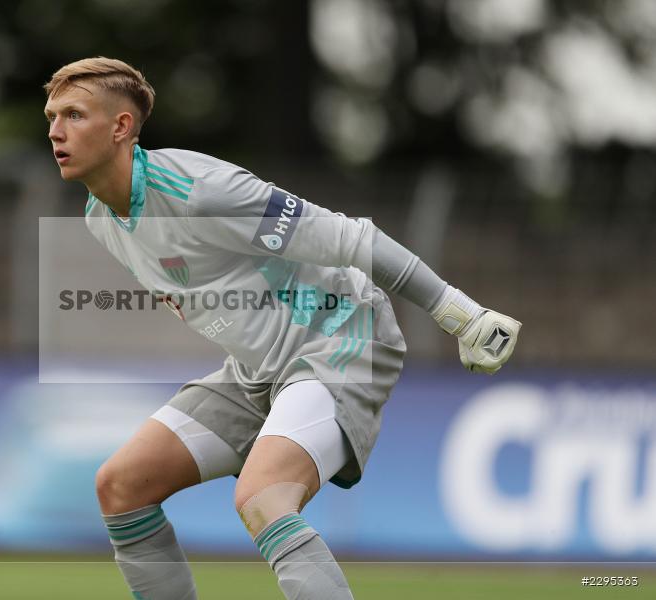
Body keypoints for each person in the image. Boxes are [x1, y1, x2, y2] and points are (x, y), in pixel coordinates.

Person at [43, 57, 521, 600]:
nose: (56, 131)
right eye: (52, 116)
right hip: (257, 373)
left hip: (340, 341)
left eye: (74, 115)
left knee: (265, 495)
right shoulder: (100, 218)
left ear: (121, 127)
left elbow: (351, 238)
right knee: (120, 485)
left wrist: (460, 314)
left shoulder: (202, 191)